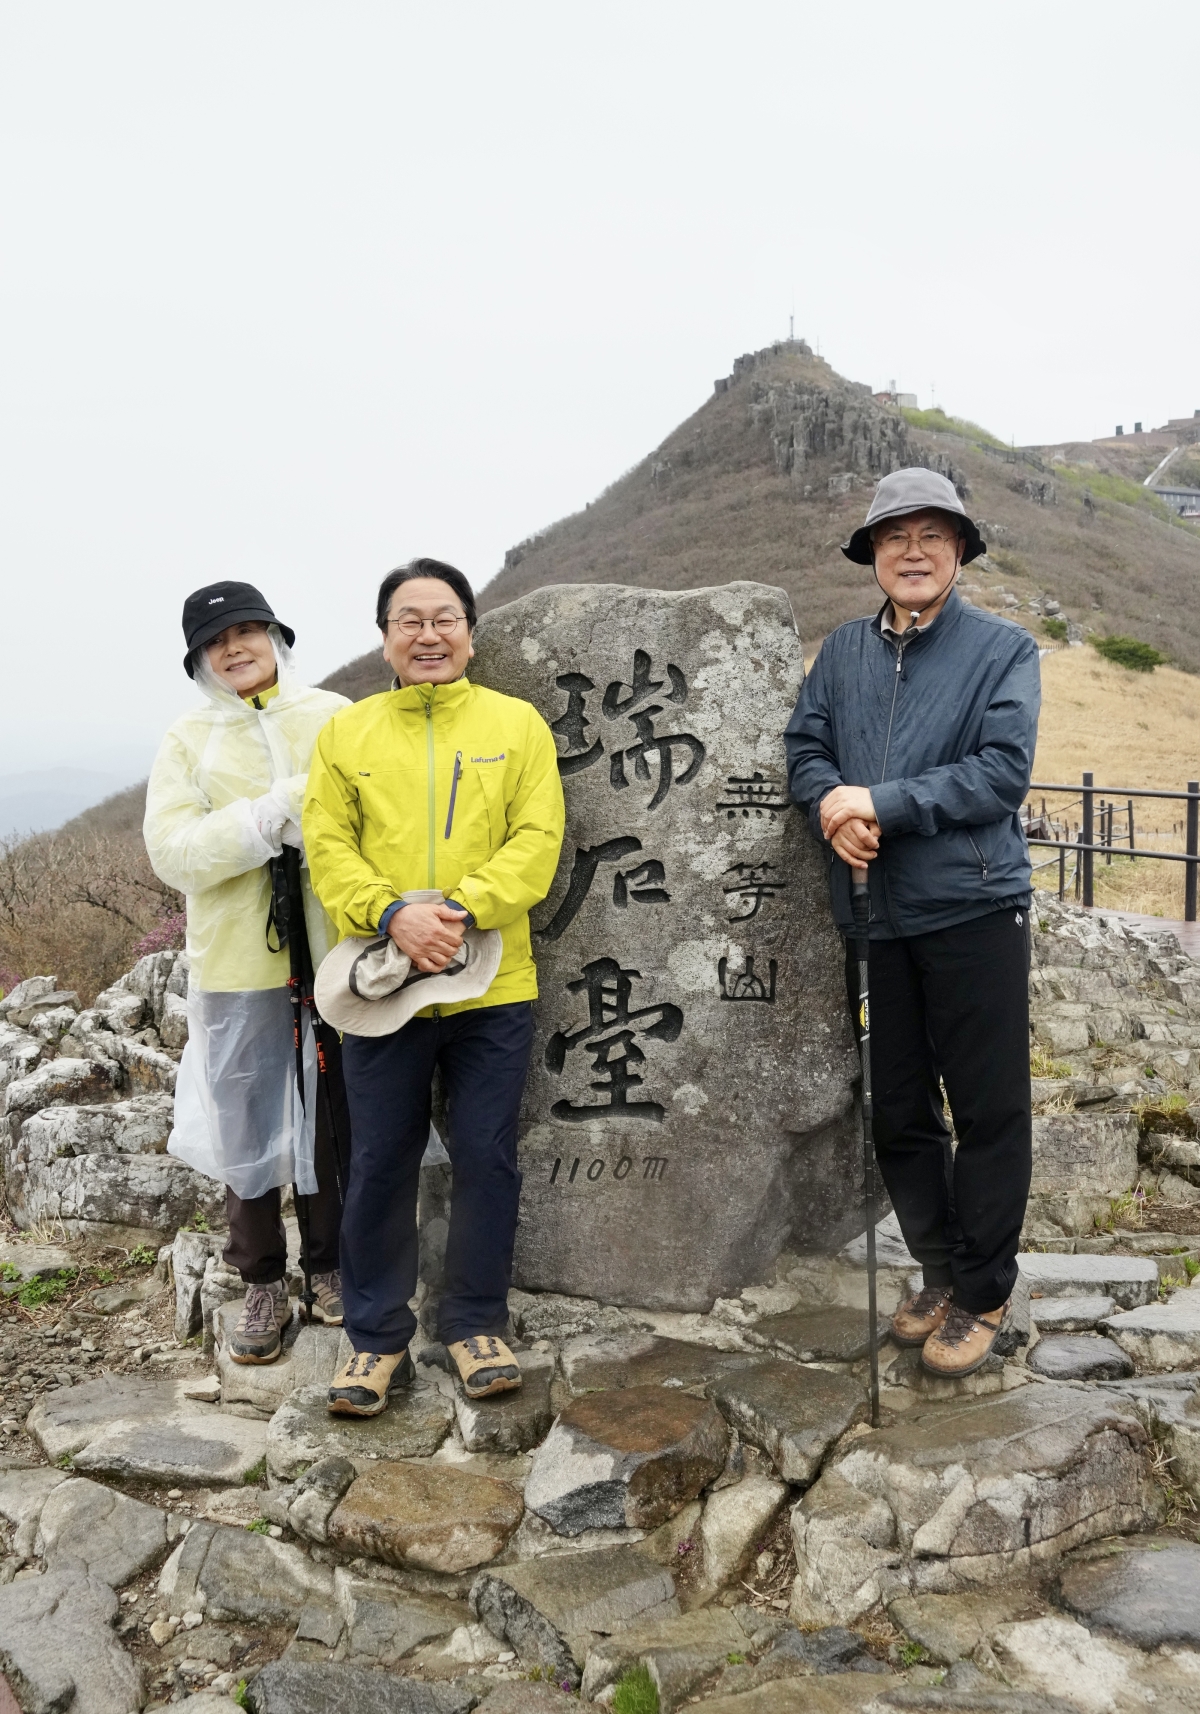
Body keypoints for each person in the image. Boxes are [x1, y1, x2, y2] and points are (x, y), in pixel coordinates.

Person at [784, 469, 1041, 1378]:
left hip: (973, 906)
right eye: (896, 536)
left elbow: (1001, 772)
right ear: (873, 556)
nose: (914, 551)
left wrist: (882, 803)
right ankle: (936, 1267)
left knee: (988, 1106)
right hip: (875, 915)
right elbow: (805, 745)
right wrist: (830, 805)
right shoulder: (845, 651)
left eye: (934, 534)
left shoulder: (1003, 650)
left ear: (962, 550)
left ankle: (983, 1289)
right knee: (896, 1107)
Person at [304, 556, 565, 1417]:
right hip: (383, 985)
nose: (428, 634)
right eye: (409, 619)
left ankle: (475, 1322)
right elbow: (327, 848)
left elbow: (538, 836)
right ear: (384, 638)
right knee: (379, 1160)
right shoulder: (347, 736)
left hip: (493, 982)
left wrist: (455, 911)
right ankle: (377, 1338)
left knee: (488, 1155)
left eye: (444, 617)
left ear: (470, 633)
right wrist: (391, 916)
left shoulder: (515, 723)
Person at [144, 582, 352, 1363]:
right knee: (247, 1121)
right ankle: (261, 1280)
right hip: (236, 961)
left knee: (335, 1113)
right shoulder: (188, 739)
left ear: (274, 636)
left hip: (337, 951)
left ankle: (329, 1267)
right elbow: (174, 853)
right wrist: (265, 818)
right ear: (201, 659)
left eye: (247, 631)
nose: (235, 648)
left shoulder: (332, 715)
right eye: (216, 641)